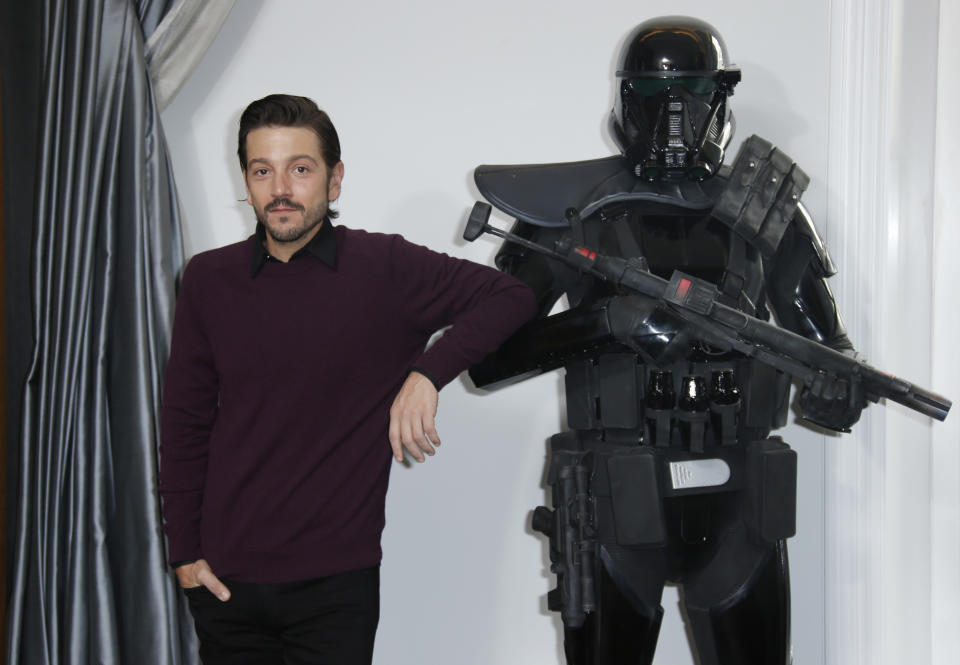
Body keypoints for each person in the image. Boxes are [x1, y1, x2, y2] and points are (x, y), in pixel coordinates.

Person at [465, 17, 865, 665]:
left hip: (743, 501)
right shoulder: (573, 215)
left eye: (695, 96)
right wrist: (609, 323)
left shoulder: (770, 214)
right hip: (617, 500)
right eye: (656, 97)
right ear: (627, 101)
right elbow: (484, 358)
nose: (676, 119)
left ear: (722, 98)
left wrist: (837, 384)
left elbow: (828, 357)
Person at [158, 93, 535, 665]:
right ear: (247, 180)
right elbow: (184, 425)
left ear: (334, 180)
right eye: (263, 171)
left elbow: (513, 295)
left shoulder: (384, 269)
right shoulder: (208, 279)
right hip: (225, 585)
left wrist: (427, 374)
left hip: (334, 590)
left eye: (299, 169)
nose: (280, 188)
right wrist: (184, 553)